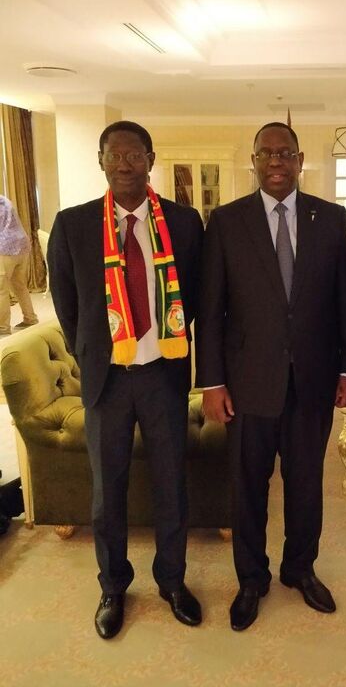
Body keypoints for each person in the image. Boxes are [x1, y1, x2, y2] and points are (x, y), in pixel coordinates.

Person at [48, 120, 203, 639]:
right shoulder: (73, 225)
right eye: (114, 155)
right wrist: (95, 353)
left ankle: (173, 581)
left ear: (150, 160)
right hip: (107, 381)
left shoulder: (184, 222)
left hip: (163, 376)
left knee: (172, 485)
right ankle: (113, 586)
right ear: (101, 161)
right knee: (106, 493)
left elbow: (196, 294)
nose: (124, 164)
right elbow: (67, 307)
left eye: (134, 155)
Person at [198, 122, 346, 631]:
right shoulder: (226, 221)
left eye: (285, 153)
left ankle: (300, 569)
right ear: (254, 160)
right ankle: (251, 578)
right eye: (266, 153)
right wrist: (212, 382)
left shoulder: (330, 218)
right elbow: (211, 308)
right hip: (247, 383)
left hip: (313, 380)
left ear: (300, 159)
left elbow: (345, 301)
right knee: (248, 487)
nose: (276, 162)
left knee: (306, 484)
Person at [0, 195, 38, 336]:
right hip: (22, 245)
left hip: (5, 248)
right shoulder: (4, 200)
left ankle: (2, 328)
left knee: (1, 290)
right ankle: (30, 318)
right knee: (20, 285)